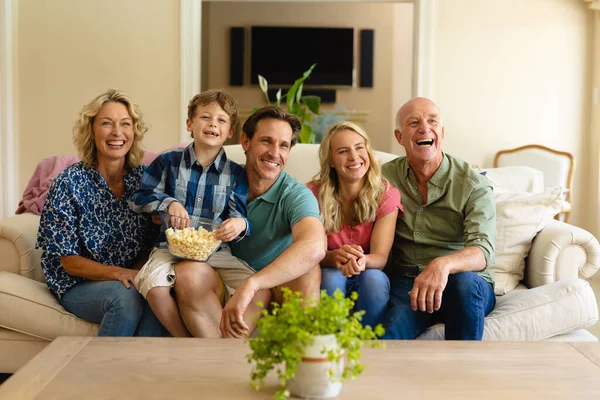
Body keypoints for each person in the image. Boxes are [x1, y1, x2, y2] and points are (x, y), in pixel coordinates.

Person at [175, 105, 326, 339]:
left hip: (275, 285)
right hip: (223, 280)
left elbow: (314, 246)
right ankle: (225, 356)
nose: (275, 153)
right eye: (266, 141)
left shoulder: (295, 194)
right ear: (246, 142)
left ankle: (298, 358)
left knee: (308, 270)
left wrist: (253, 284)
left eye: (283, 145)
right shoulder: (220, 182)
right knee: (187, 272)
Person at [36, 89, 165, 337]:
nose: (117, 133)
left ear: (134, 132)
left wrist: (138, 275)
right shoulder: (69, 182)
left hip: (129, 278)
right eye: (107, 123)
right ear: (92, 131)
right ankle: (99, 374)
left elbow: (151, 242)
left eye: (125, 124)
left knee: (156, 300)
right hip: (78, 283)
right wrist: (120, 274)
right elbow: (69, 261)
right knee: (124, 299)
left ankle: (144, 373)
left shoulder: (145, 180)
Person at [129, 90, 258, 338]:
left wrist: (240, 225)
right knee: (153, 288)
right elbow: (140, 198)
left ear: (230, 131)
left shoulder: (236, 174)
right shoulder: (167, 162)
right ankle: (185, 341)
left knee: (258, 286)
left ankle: (234, 343)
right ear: (190, 124)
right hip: (170, 248)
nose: (213, 124)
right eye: (205, 117)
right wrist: (168, 203)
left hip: (216, 251)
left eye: (221, 120)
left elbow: (239, 215)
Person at [380, 97, 497, 340]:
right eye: (413, 122)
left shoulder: (473, 183)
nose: (424, 128)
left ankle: (461, 375)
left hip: (463, 282)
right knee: (387, 338)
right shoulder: (383, 178)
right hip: (409, 283)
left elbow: (483, 251)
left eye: (432, 121)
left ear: (441, 132)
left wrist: (442, 265)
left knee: (463, 285)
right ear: (399, 137)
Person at [307, 121, 403, 327]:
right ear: (331, 160)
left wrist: (360, 261)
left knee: (374, 281)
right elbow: (311, 252)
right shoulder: (312, 194)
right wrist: (335, 257)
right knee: (332, 279)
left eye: (359, 147)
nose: (354, 157)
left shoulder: (386, 195)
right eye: (343, 151)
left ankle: (366, 348)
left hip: (370, 270)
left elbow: (380, 257)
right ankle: (330, 345)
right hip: (328, 268)